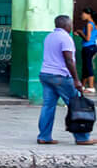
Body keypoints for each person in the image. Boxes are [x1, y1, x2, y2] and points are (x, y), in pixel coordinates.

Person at [38, 15, 92, 146]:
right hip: (61, 77)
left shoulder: (49, 36)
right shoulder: (66, 38)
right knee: (76, 105)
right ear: (67, 25)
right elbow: (69, 60)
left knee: (48, 106)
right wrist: (76, 80)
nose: (72, 26)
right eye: (71, 24)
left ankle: (44, 136)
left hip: (46, 74)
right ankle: (82, 137)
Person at [78, 8, 95, 96]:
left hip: (88, 47)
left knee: (88, 66)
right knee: (86, 66)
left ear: (89, 14)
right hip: (92, 47)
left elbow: (87, 39)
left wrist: (81, 32)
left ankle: (91, 87)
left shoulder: (89, 24)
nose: (82, 16)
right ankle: (83, 85)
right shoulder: (94, 24)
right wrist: (81, 34)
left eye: (83, 14)